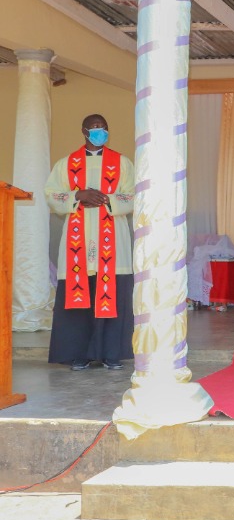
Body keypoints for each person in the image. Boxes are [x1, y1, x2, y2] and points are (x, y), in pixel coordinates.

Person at [46, 114, 135, 371]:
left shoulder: (122, 163)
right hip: (78, 243)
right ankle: (79, 354)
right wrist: (78, 195)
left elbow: (133, 194)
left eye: (103, 128)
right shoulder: (66, 163)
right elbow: (51, 194)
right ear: (84, 131)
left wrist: (107, 199)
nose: (100, 132)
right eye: (95, 128)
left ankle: (112, 353)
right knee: (79, 299)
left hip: (113, 241)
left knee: (113, 296)